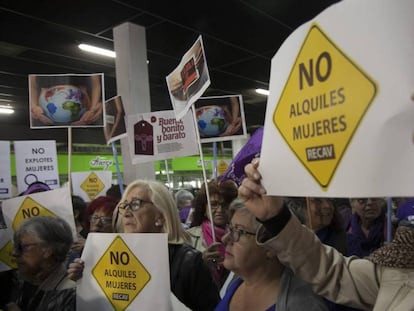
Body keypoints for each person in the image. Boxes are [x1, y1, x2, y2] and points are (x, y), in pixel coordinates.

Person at [239, 158, 414, 311]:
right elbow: (332, 272)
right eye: (317, 200)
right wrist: (276, 217)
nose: (325, 207)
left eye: (328, 200)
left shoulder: (347, 238)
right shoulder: (401, 270)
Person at [68, 180, 220, 310]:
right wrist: (84, 283)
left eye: (135, 204)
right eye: (124, 205)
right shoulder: (108, 257)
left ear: (160, 216)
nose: (126, 212)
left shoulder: (189, 262)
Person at [216, 198, 328, 311]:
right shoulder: (237, 280)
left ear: (272, 246)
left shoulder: (302, 305)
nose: (225, 239)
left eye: (239, 231)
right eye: (229, 228)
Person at [5, 216, 75, 311]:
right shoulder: (23, 281)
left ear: (47, 250)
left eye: (21, 247)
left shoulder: (72, 294)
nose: (14, 253)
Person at [188, 180, 238, 288]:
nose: (219, 210)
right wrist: (200, 263)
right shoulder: (188, 238)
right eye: (214, 204)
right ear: (204, 208)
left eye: (225, 205)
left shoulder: (242, 237)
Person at [29, 74, 103, 126]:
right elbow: (32, 84)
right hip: (43, 117)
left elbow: (95, 84)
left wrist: (93, 108)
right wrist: (33, 105)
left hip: (84, 117)